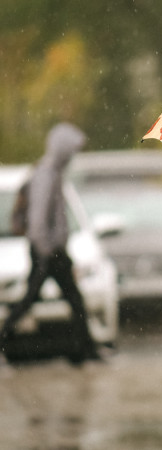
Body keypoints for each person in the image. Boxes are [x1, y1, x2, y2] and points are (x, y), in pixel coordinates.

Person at [0, 122, 102, 365]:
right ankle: (84, 351)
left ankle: (85, 351)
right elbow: (38, 220)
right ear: (62, 150)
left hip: (53, 251)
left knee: (71, 299)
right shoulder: (45, 175)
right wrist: (46, 252)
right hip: (48, 252)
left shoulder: (52, 173)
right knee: (35, 299)